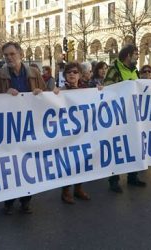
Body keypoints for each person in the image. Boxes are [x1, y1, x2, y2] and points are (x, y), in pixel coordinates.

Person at [0, 41, 47, 214]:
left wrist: (40, 92)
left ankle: (26, 200)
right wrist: (4, 95)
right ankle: (8, 201)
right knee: (11, 164)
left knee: (29, 163)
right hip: (11, 127)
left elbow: (45, 95)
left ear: (20, 54)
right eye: (6, 55)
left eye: (12, 54)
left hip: (31, 126)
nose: (9, 58)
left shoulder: (34, 73)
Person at [103, 44, 147, 193]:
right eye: (135, 54)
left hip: (133, 115)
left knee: (134, 145)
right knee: (117, 147)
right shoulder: (114, 69)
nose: (137, 56)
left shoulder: (135, 71)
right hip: (118, 116)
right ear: (128, 55)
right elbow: (108, 88)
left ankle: (132, 176)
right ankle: (113, 179)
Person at [54, 62, 91, 204]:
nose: (72, 74)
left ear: (80, 75)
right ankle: (65, 191)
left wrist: (100, 91)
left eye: (75, 72)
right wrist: (53, 95)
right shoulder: (59, 91)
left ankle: (78, 188)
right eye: (68, 72)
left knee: (81, 161)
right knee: (68, 162)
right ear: (64, 76)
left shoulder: (87, 90)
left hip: (82, 133)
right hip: (66, 134)